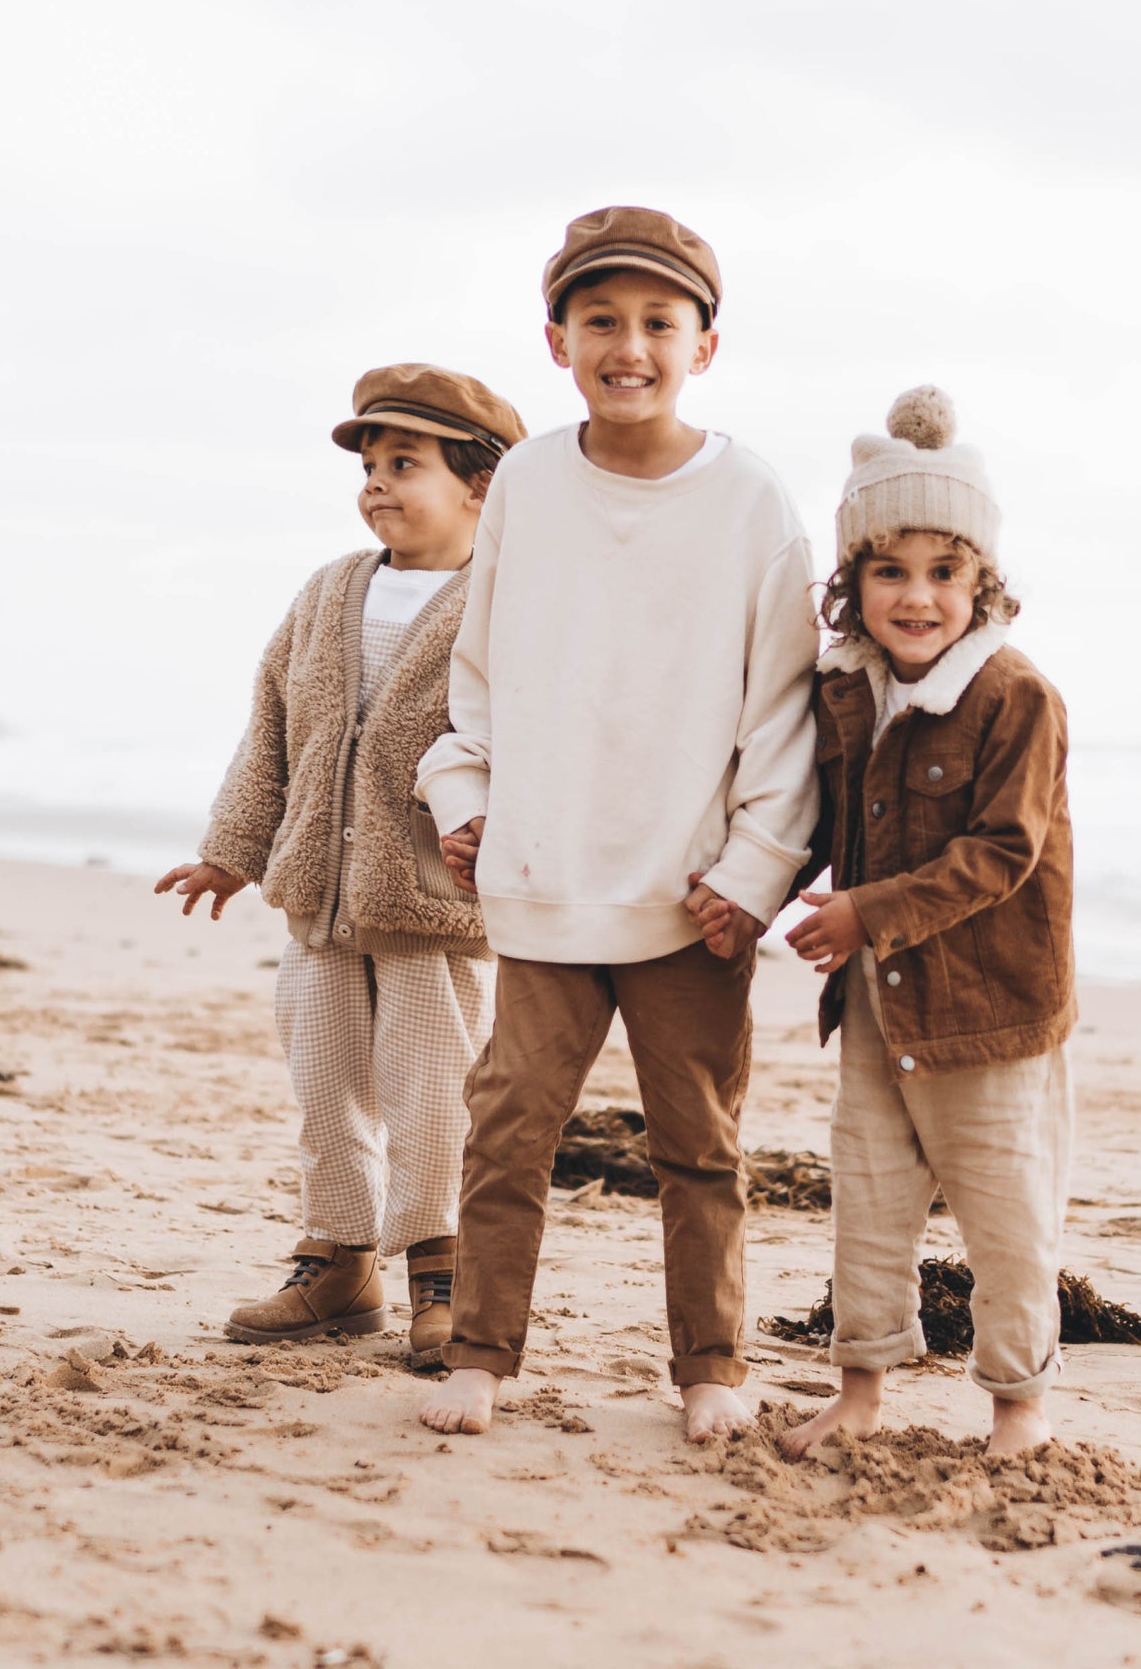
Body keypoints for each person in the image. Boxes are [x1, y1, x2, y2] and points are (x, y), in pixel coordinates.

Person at [413, 205, 819, 1442]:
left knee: (698, 1146)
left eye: (657, 321)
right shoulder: (529, 480)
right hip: (541, 872)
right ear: (555, 339)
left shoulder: (750, 500)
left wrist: (754, 866)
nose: (627, 344)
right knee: (507, 1128)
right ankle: (482, 1353)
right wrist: (465, 793)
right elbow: (477, 667)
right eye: (600, 320)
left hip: (692, 890)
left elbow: (785, 704)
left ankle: (710, 1369)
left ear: (705, 344)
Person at [155, 364, 526, 1353]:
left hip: (430, 904)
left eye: (405, 463)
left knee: (429, 1096)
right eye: (369, 464)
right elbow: (272, 728)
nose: (376, 482)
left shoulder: (503, 603)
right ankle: (336, 1261)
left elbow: (532, 744)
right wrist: (231, 852)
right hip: (316, 900)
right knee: (324, 1087)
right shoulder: (327, 591)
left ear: (480, 484)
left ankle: (440, 1274)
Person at [778, 386, 1077, 1461]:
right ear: (851, 583)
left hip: (990, 1002)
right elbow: (811, 821)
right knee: (867, 1186)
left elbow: (1004, 850)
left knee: (1004, 1211)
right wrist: (744, 885)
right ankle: (858, 1389)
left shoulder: (1012, 696)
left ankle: (1017, 1407)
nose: (917, 596)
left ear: (980, 580)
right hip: (872, 996)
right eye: (889, 569)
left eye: (944, 571)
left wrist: (867, 911)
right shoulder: (847, 691)